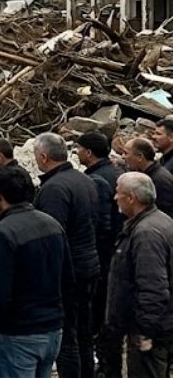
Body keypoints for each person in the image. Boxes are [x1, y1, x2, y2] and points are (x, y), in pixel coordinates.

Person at [0, 164, 74, 378]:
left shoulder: (2, 233)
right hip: (52, 329)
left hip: (18, 333)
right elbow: (69, 279)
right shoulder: (52, 224)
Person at [33, 132, 99, 378]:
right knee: (83, 331)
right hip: (88, 263)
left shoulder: (54, 188)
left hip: (69, 270)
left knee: (67, 336)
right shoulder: (84, 180)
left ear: (43, 156)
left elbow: (51, 236)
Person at [106, 171, 173, 378]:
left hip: (150, 332)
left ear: (131, 198)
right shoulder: (160, 221)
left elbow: (152, 287)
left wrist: (146, 332)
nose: (115, 198)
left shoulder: (146, 234)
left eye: (118, 193)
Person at [77, 131, 123, 377]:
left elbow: (102, 225)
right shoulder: (113, 173)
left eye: (79, 148)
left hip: (103, 258)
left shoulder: (98, 180)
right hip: (112, 254)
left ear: (88, 152)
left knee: (98, 313)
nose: (76, 152)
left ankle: (102, 364)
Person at [123, 137, 173, 216]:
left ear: (139, 157)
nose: (123, 157)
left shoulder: (159, 180)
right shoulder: (147, 175)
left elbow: (166, 213)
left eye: (126, 153)